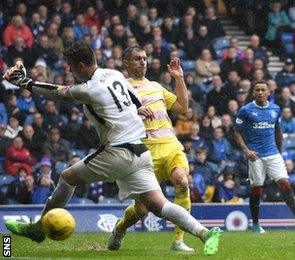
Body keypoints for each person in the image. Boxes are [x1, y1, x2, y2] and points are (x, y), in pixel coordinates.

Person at [3, 42, 221, 255]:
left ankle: (39, 229)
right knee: (159, 205)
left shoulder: (89, 89)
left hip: (117, 152)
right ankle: (204, 233)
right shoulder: (115, 74)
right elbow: (132, 96)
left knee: (68, 177)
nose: (69, 70)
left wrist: (25, 82)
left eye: (70, 66)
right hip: (141, 153)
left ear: (80, 65)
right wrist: (138, 108)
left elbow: (56, 92)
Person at [113, 46, 195, 252]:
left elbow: (182, 108)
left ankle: (178, 240)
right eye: (137, 59)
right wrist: (134, 113)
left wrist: (179, 78)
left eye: (144, 58)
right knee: (141, 209)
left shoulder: (156, 86)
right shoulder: (120, 87)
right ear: (126, 63)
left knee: (182, 182)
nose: (143, 62)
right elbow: (110, 118)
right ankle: (120, 228)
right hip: (144, 152)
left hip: (170, 145)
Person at [233, 81, 295, 234]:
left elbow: (278, 131)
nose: (260, 92)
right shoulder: (245, 110)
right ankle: (255, 224)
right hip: (255, 156)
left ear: (269, 92)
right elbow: (236, 132)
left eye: (263, 90)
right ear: (253, 92)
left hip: (273, 153)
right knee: (256, 189)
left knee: (285, 183)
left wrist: (280, 152)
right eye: (257, 90)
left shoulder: (275, 109)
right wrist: (245, 150)